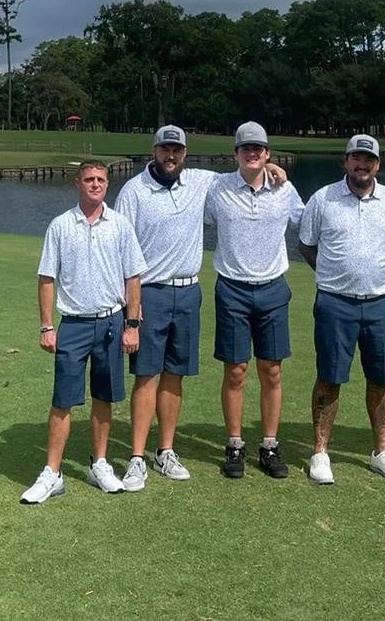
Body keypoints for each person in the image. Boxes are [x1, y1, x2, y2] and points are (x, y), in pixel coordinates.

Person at [111, 124, 287, 492]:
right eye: (164, 149)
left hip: (189, 291)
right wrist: (130, 307)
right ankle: (137, 457)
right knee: (146, 375)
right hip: (150, 292)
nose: (170, 155)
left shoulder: (200, 182)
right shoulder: (133, 191)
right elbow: (120, 249)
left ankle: (165, 450)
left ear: (185, 153)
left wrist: (269, 168)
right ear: (154, 151)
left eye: (176, 150)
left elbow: (243, 174)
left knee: (174, 375)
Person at [20, 160, 147, 504]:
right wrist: (47, 325)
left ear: (107, 184)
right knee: (62, 400)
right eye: (89, 179)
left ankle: (99, 464)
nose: (95, 184)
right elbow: (47, 278)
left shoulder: (120, 225)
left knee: (104, 397)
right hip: (73, 323)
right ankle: (52, 473)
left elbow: (133, 278)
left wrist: (132, 325)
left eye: (101, 179)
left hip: (111, 323)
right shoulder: (61, 225)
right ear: (77, 183)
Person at [297, 134, 385, 485]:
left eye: (368, 160)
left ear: (377, 164)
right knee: (329, 377)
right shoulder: (323, 198)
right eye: (355, 158)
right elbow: (307, 246)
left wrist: (375, 276)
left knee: (380, 378)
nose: (362, 165)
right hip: (335, 302)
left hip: (382, 303)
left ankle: (381, 452)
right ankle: (320, 452)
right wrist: (336, 275)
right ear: (345, 161)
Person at [203, 121, 305, 479]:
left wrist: (275, 171)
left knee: (271, 370)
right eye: (245, 148)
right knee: (235, 370)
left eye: (258, 149)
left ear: (267, 153)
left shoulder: (284, 189)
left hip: (273, 288)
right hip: (232, 288)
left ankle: (269, 445)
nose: (252, 153)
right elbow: (185, 187)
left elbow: (309, 220)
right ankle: (234, 445)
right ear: (235, 153)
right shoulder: (217, 188)